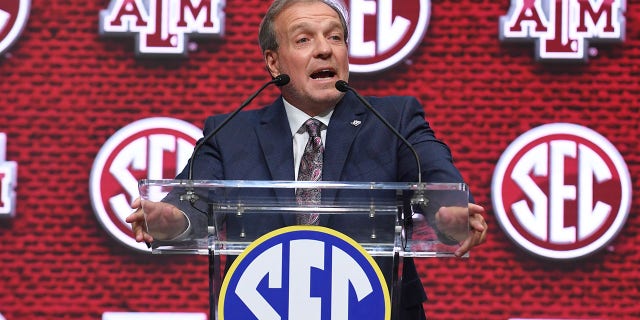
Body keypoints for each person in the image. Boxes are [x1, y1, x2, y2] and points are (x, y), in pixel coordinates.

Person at [126, 0, 487, 319]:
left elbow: (435, 177)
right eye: (304, 39)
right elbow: (191, 202)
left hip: (379, 308)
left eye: (335, 38)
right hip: (263, 308)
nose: (325, 50)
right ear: (273, 61)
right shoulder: (231, 132)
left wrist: (450, 212)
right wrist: (169, 219)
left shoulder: (394, 120)